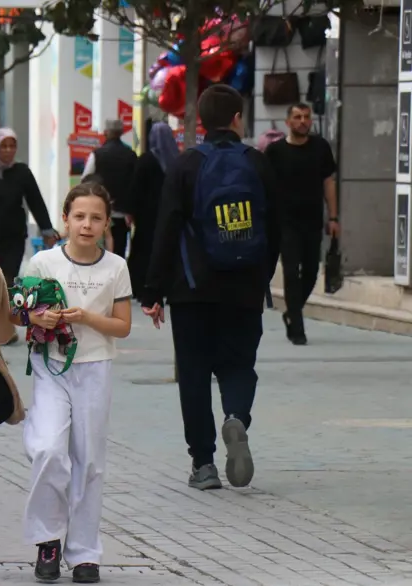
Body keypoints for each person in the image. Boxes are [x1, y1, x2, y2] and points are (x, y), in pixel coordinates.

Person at [140, 84, 281, 491]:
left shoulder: (185, 165)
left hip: (191, 290)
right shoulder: (258, 163)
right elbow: (275, 230)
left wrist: (153, 291)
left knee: (195, 375)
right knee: (239, 364)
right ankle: (235, 416)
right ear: (238, 118)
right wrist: (261, 276)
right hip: (244, 289)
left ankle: (203, 464)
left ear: (199, 121)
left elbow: (164, 230)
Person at [15, 182, 132, 584]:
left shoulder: (116, 267)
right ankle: (48, 538)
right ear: (65, 219)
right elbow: (18, 313)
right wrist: (37, 318)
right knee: (48, 448)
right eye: (79, 216)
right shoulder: (43, 262)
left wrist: (85, 318)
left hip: (95, 367)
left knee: (90, 462)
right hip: (51, 366)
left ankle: (84, 553)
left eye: (96, 218)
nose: (86, 225)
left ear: (105, 223)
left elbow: (122, 326)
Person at [265, 103, 338, 345]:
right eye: (297, 117)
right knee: (290, 271)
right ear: (288, 122)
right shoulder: (275, 152)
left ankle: (291, 311)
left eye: (306, 117)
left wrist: (334, 217)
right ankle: (297, 326)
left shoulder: (320, 148)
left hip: (312, 221)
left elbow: (329, 183)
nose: (303, 121)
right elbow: (265, 187)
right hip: (285, 223)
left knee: (311, 272)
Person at [0, 127, 58, 287]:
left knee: (7, 277)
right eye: (4, 146)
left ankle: (5, 310)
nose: (8, 150)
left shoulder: (22, 171)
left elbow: (36, 201)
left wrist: (47, 229)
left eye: (12, 146)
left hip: (14, 236)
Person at [126, 121, 179, 296]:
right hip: (169, 213)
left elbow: (135, 189)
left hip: (146, 215)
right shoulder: (177, 161)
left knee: (143, 249)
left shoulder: (146, 160)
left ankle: (142, 286)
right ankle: (166, 284)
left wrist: (131, 211)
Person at [81, 120, 138, 257]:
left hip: (99, 213)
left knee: (97, 253)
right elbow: (136, 184)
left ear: (105, 133)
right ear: (121, 133)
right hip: (123, 215)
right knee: (118, 253)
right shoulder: (131, 155)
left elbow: (85, 180)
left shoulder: (97, 154)